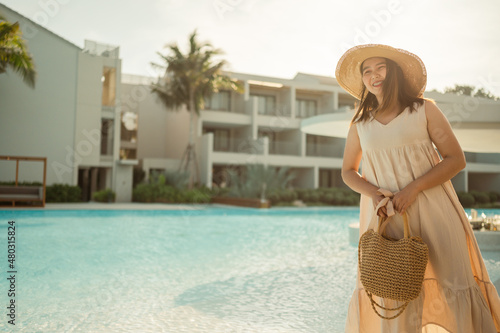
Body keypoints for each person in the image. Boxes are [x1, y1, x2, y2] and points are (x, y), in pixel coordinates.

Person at [336, 44, 500, 332]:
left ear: (394, 71)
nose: (374, 75)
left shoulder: (424, 109)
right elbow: (348, 172)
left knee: (451, 282)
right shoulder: (360, 123)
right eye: (367, 71)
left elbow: (455, 159)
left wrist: (412, 189)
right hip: (386, 217)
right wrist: (375, 193)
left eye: (380, 67)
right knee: (392, 290)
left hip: (434, 209)